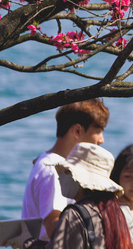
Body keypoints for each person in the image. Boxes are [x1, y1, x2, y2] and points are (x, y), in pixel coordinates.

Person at [23, 99, 110, 241]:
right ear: (77, 131)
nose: (101, 140)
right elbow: (53, 225)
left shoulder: (51, 163)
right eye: (98, 131)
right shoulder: (53, 170)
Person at [44, 143, 133, 249]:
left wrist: (27, 241)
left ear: (79, 179)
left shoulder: (73, 215)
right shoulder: (115, 212)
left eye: (67, 171)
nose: (60, 177)